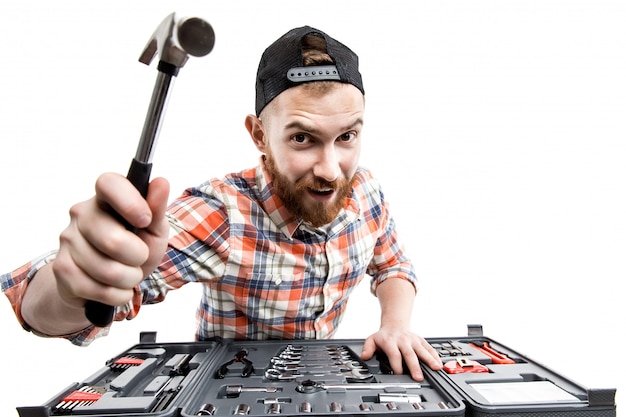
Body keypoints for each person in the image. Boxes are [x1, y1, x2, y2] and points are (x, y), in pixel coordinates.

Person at [1, 26, 443, 381]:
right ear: (259, 136)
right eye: (303, 138)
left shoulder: (364, 190)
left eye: (347, 136)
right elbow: (37, 307)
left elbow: (393, 266)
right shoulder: (221, 214)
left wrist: (396, 324)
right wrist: (73, 283)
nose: (330, 168)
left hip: (321, 382)